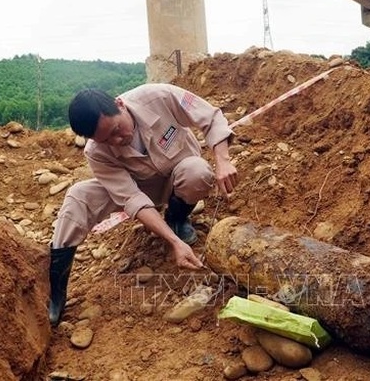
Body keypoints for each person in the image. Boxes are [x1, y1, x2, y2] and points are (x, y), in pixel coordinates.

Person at [48, 83, 238, 326]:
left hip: (177, 175)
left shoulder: (158, 96)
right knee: (78, 195)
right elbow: (132, 199)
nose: (119, 140)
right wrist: (174, 243)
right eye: (108, 140)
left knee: (197, 171)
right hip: (141, 187)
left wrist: (222, 161)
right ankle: (56, 292)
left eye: (117, 129)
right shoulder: (96, 152)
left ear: (119, 104)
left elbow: (210, 117)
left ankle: (178, 218)